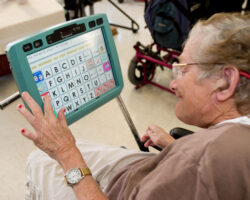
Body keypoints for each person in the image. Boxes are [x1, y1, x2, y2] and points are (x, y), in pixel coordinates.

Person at [17, 12, 250, 200]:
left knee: (40, 161)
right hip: (155, 169)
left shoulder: (198, 163)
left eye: (183, 67)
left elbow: (199, 167)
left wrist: (65, 152)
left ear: (225, 82)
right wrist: (174, 147)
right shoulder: (230, 144)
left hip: (124, 189)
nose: (174, 81)